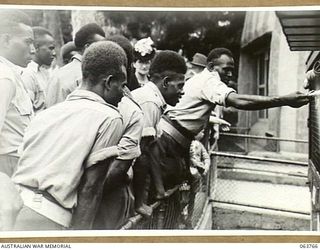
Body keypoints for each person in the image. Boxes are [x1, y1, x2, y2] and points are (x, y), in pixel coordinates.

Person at [149, 47, 311, 198]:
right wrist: (284, 100)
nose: (229, 75)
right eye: (226, 70)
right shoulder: (209, 80)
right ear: (212, 66)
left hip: (174, 142)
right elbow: (239, 101)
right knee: (162, 196)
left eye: (231, 71)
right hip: (168, 143)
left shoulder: (202, 79)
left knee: (172, 195)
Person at [12, 41, 128, 231]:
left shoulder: (46, 114)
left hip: (16, 211)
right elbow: (91, 188)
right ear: (107, 82)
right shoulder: (110, 117)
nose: (124, 94)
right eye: (122, 86)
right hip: (50, 218)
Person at [74, 35, 144, 230]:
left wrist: (75, 200)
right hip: (107, 198)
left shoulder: (75, 98)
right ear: (129, 69)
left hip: (76, 197)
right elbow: (119, 169)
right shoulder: (132, 111)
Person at [131, 50, 186, 216]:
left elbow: (152, 148)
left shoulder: (154, 99)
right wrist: (139, 203)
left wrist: (160, 189)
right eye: (180, 86)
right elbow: (141, 154)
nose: (182, 92)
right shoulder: (150, 101)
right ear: (166, 82)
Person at [0, 10, 34, 177]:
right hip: (8, 165)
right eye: (28, 42)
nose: (33, 50)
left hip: (19, 162)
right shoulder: (4, 77)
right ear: (5, 40)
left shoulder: (12, 74)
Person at [46, 23, 105, 107]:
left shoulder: (59, 74)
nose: (105, 51)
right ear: (87, 47)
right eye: (101, 47)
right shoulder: (78, 75)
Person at [22, 26, 56, 114]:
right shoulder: (28, 74)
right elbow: (27, 111)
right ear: (36, 47)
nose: (54, 53)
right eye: (51, 48)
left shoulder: (44, 72)